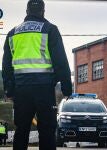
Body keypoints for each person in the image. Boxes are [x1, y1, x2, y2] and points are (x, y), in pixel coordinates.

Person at [2, 0, 72, 150]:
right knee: (47, 131)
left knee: (21, 130)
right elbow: (60, 61)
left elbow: (6, 66)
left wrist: (9, 89)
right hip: (44, 89)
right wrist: (67, 89)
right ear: (43, 11)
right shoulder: (50, 29)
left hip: (21, 90)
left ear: (26, 12)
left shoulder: (12, 33)